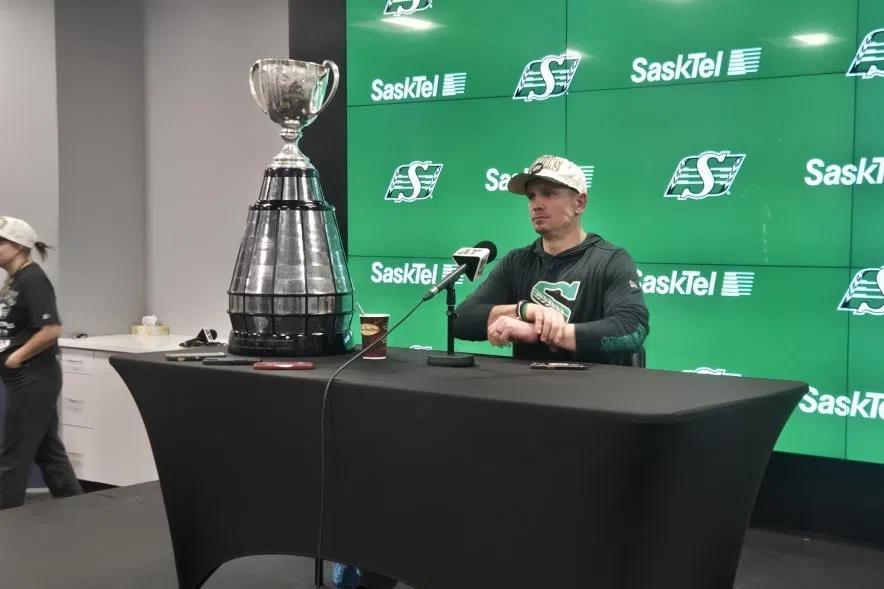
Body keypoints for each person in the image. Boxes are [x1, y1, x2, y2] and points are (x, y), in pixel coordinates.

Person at [455, 155, 649, 362]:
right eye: (531, 196)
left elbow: (632, 330)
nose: (536, 204)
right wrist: (524, 310)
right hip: (526, 391)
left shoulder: (611, 260)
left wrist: (539, 334)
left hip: (594, 390)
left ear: (580, 203)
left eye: (548, 194)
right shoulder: (517, 261)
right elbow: (460, 320)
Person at [0, 216, 82, 509]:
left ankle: (5, 520)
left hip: (32, 377)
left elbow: (51, 329)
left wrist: (17, 357)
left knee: (13, 456)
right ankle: (76, 510)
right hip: (23, 378)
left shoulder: (33, 279)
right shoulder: (14, 281)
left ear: (19, 246)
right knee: (48, 452)